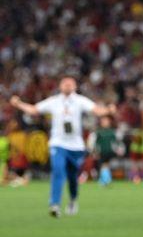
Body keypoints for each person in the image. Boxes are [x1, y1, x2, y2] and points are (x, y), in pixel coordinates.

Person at [10, 77, 115, 217]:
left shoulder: (80, 101)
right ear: (60, 86)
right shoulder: (54, 101)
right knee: (58, 170)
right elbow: (34, 110)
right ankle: (54, 204)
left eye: (70, 84)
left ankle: (72, 199)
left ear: (75, 86)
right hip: (58, 143)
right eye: (65, 84)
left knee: (72, 177)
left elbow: (97, 110)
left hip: (75, 146)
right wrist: (19, 104)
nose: (67, 86)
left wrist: (108, 110)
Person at [89, 115, 120, 186]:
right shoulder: (98, 132)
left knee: (106, 165)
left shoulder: (112, 131)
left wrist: (118, 149)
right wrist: (93, 151)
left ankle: (104, 179)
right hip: (101, 152)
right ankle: (105, 180)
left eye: (106, 121)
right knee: (103, 165)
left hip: (110, 151)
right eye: (103, 121)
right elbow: (93, 142)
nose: (105, 122)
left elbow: (116, 142)